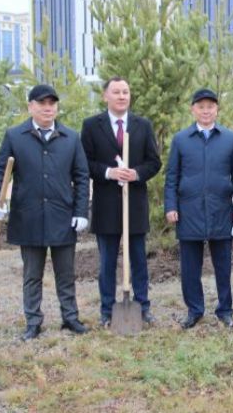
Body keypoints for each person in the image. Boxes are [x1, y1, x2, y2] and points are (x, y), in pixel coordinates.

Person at [0, 84, 90, 341]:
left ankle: (70, 317)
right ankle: (33, 321)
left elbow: (81, 176)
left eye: (52, 104)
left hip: (62, 217)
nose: (48, 108)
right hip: (28, 217)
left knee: (65, 274)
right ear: (30, 106)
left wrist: (81, 211)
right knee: (32, 275)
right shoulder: (15, 136)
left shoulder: (70, 138)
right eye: (42, 103)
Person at [80, 77, 162, 327]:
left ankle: (143, 306)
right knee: (106, 262)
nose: (121, 96)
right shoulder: (92, 126)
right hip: (106, 204)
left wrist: (135, 174)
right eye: (116, 92)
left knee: (138, 259)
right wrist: (109, 172)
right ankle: (107, 310)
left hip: (134, 203)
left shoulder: (142, 125)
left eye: (126, 91)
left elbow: (154, 162)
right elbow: (85, 163)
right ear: (106, 96)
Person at [164, 89, 233, 329]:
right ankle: (195, 310)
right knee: (190, 267)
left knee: (223, 265)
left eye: (210, 106)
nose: (206, 110)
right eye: (201, 106)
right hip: (188, 211)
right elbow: (172, 177)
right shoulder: (181, 140)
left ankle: (225, 309)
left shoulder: (230, 139)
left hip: (221, 210)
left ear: (217, 109)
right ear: (193, 110)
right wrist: (171, 205)